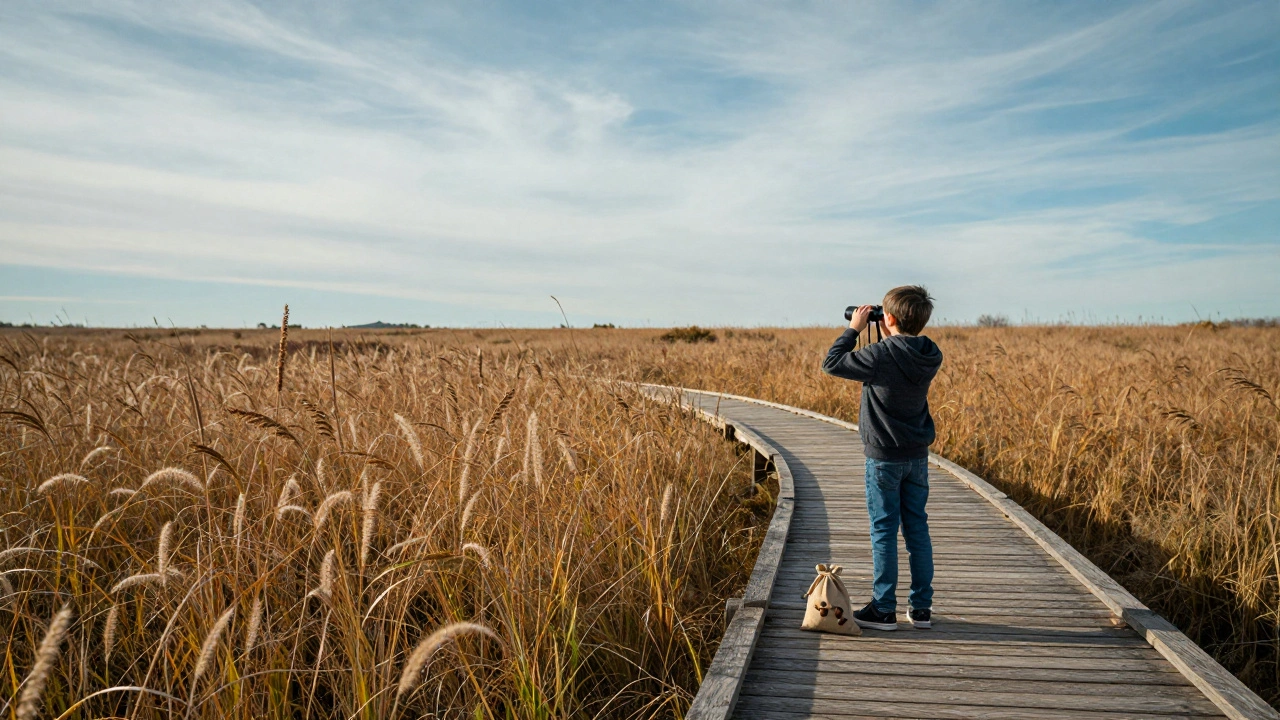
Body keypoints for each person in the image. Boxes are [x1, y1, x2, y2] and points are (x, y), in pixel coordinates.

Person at [821, 285, 942, 631]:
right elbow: (901, 348)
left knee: (884, 529)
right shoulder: (931, 353)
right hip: (917, 458)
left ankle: (884, 608)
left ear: (886, 318)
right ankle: (921, 609)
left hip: (883, 459)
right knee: (917, 529)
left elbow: (831, 364)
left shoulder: (878, 356)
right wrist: (889, 329)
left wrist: (854, 329)